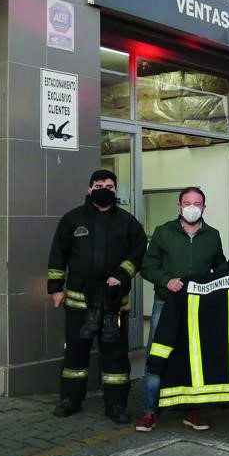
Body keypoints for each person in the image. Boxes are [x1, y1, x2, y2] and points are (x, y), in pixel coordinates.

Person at [47, 170, 147, 422]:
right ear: (89, 189)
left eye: (110, 185)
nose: (105, 188)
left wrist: (121, 276)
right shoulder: (72, 220)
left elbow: (137, 253)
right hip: (79, 302)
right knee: (76, 353)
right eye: (99, 184)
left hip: (114, 303)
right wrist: (55, 288)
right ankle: (71, 399)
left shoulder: (128, 222)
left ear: (116, 190)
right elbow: (58, 255)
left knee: (115, 355)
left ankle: (116, 405)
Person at [137, 187, 227, 432]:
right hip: (165, 305)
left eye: (197, 203)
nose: (192, 207)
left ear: (204, 208)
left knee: (194, 358)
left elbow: (220, 266)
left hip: (198, 307)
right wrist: (166, 280)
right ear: (179, 206)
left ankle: (192, 410)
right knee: (156, 357)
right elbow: (148, 266)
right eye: (187, 202)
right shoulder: (163, 232)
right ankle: (149, 411)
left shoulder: (212, 235)